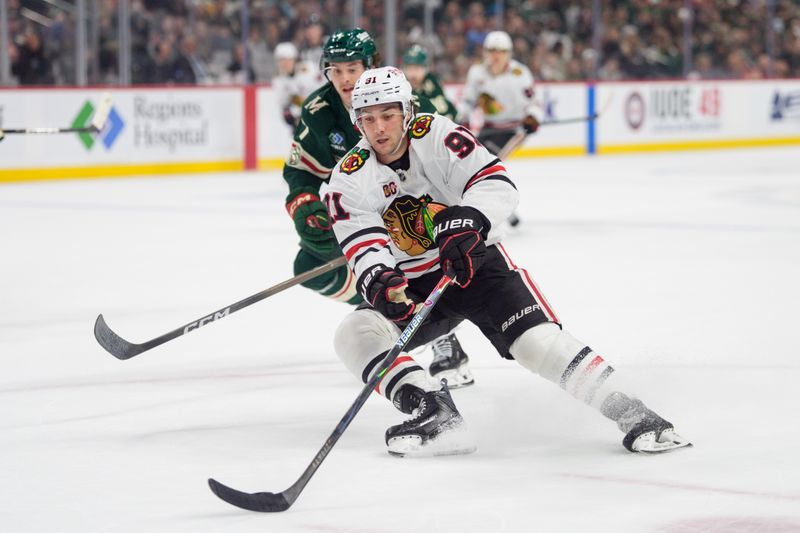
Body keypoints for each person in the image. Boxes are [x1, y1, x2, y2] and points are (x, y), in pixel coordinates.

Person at [320, 66, 691, 457]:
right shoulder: (349, 177)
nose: (378, 128)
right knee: (355, 333)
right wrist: (379, 277)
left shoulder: (438, 134)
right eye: (368, 118)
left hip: (476, 268)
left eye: (388, 115)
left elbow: (495, 182)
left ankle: (633, 412)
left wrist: (470, 219)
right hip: (414, 286)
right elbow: (361, 241)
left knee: (535, 344)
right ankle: (433, 409)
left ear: (407, 111)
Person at [282, 29, 475, 387]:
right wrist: (307, 205)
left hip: (415, 215)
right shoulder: (320, 111)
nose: (343, 79)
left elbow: (443, 168)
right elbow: (301, 172)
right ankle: (395, 304)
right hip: (360, 214)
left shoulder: (402, 100)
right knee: (311, 265)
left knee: (413, 259)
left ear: (370, 65)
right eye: (335, 70)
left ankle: (438, 331)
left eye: (351, 68)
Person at [456, 30, 540, 156]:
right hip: (488, 127)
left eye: (501, 51)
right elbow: (467, 101)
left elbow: (534, 102)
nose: (496, 56)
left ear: (509, 53)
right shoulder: (476, 72)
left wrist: (532, 117)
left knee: (488, 160)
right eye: (492, 51)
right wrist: (463, 118)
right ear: (485, 52)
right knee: (468, 157)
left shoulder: (520, 74)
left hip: (514, 129)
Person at [272, 41, 323, 128]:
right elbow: (285, 107)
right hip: (302, 115)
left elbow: (323, 89)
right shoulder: (278, 81)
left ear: (294, 59)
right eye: (281, 60)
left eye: (288, 60)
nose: (285, 64)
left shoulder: (308, 69)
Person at [401, 44, 458, 121]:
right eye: (409, 69)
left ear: (425, 69)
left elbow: (446, 114)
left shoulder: (432, 86)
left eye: (417, 69)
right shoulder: (400, 85)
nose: (413, 74)